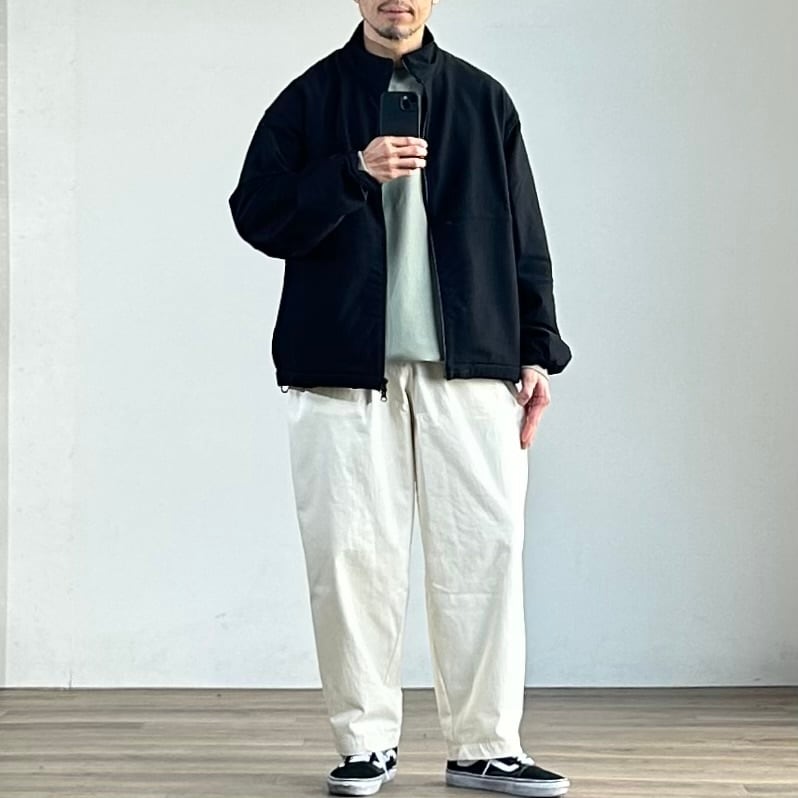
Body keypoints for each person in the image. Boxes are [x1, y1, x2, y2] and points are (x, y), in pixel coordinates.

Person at [228, 2, 573, 795]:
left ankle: (486, 745)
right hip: (339, 367)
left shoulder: (483, 100)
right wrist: (351, 170)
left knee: (485, 554)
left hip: (472, 365)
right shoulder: (311, 98)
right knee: (349, 559)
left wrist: (536, 350)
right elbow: (256, 212)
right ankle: (364, 743)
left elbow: (524, 235)